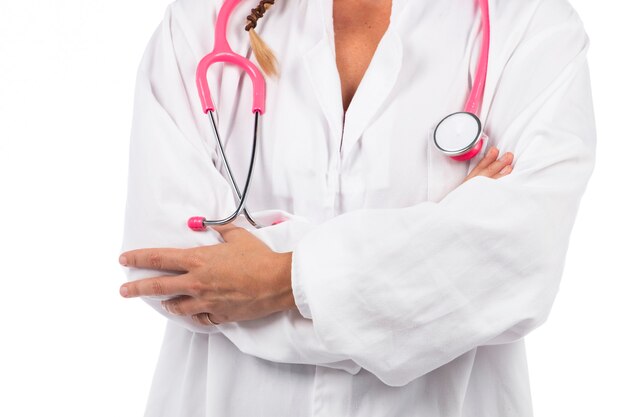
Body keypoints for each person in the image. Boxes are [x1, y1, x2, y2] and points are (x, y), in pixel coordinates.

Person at [118, 0, 596, 415]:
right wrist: (433, 254)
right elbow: (170, 268)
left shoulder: (533, 26)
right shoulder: (199, 24)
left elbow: (514, 259)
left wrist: (276, 278)